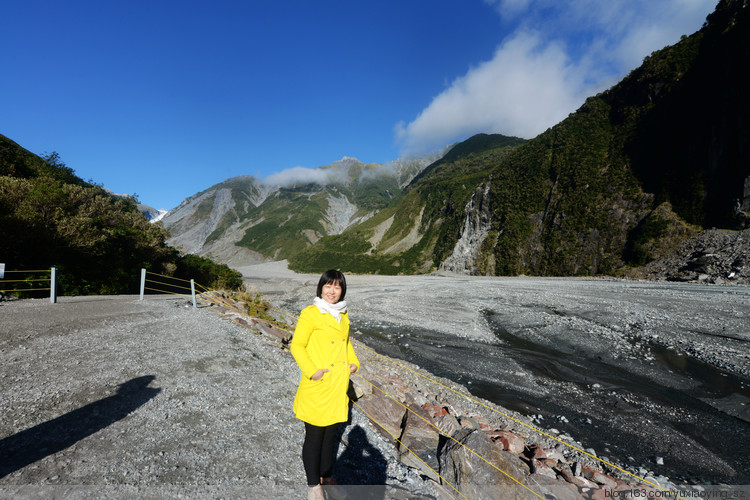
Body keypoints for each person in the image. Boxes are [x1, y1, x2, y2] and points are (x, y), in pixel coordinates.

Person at [290, 269, 360, 500]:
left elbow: (346, 342)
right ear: (320, 287)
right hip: (318, 384)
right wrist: (313, 372)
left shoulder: (343, 314)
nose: (332, 291)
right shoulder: (311, 313)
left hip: (338, 384)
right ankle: (313, 486)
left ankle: (326, 476)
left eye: (337, 287)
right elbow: (297, 345)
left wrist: (353, 362)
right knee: (314, 436)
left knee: (331, 436)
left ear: (342, 290)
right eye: (328, 286)